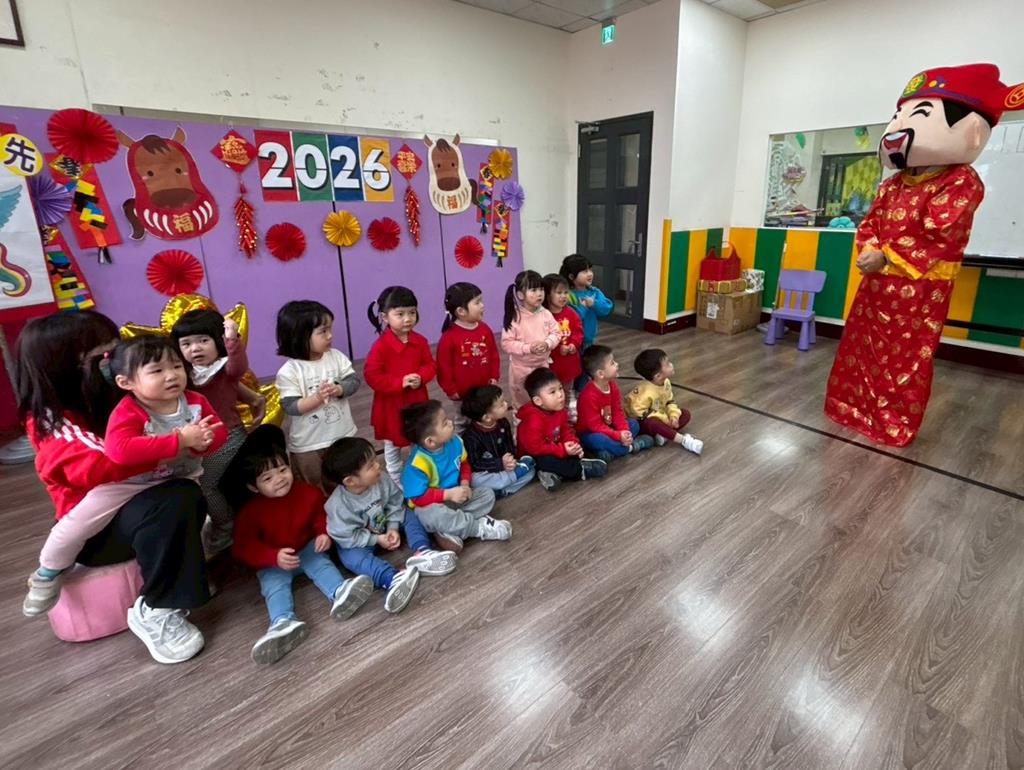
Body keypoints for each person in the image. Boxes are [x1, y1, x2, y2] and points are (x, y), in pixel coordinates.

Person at [825, 63, 1022, 447]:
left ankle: (891, 423)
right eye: (898, 115)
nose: (898, 126)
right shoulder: (892, 184)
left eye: (917, 114)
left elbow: (939, 235)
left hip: (918, 292)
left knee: (902, 360)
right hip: (876, 287)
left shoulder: (960, 181)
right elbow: (870, 223)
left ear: (972, 130)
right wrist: (870, 249)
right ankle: (851, 409)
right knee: (860, 348)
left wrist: (885, 257)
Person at [16, 311, 213, 664]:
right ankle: (157, 608)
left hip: (145, 495)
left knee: (190, 487)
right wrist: (173, 445)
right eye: (102, 352)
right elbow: (99, 464)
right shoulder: (51, 418)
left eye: (114, 346)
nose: (113, 357)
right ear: (66, 364)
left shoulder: (124, 394)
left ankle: (181, 573)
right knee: (175, 497)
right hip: (98, 530)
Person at [230, 427, 373, 664]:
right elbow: (244, 547)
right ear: (254, 487)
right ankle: (282, 622)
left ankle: (340, 592)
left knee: (321, 563)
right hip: (274, 561)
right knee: (274, 585)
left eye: (282, 470)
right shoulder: (250, 513)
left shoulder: (306, 492)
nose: (279, 479)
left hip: (306, 547)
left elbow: (320, 513)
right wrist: (272, 557)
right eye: (267, 478)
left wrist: (323, 533)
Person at [323, 437, 459, 614]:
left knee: (410, 514)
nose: (378, 465)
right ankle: (392, 578)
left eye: (375, 460)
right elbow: (345, 536)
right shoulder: (338, 506)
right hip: (362, 540)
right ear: (350, 481)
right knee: (349, 556)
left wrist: (393, 527)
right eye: (371, 465)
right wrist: (376, 539)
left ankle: (422, 552)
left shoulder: (381, 479)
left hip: (386, 523)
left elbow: (395, 502)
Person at [172, 307, 263, 555]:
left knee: (206, 484)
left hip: (229, 436)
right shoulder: (185, 374)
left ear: (218, 342)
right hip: (198, 441)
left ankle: (225, 527)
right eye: (186, 344)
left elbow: (237, 369)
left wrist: (232, 338)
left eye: (203, 341)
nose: (195, 349)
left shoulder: (224, 368)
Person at [400, 400, 510, 552]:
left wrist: (465, 484)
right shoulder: (416, 465)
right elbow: (418, 498)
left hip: (456, 498)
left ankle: (449, 528)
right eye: (445, 423)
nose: (451, 423)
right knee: (431, 515)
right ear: (430, 441)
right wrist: (448, 494)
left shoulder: (455, 441)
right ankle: (478, 528)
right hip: (432, 505)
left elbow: (464, 464)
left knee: (487, 494)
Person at [274, 300, 360, 491]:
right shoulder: (290, 371)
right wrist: (317, 398)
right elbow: (291, 407)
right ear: (300, 336)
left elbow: (353, 381)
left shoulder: (335, 356)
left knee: (345, 480)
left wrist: (339, 389)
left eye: (330, 329)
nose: (330, 336)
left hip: (342, 435)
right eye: (323, 331)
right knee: (314, 487)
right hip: (308, 445)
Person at [364, 286, 436, 485]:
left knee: (417, 439)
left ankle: (418, 473)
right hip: (392, 405)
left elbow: (430, 365)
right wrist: (399, 383)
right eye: (400, 314)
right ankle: (396, 479)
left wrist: (421, 377)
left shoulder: (420, 341)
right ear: (385, 317)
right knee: (392, 444)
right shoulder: (381, 346)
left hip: (416, 401)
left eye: (412, 312)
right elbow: (372, 376)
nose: (407, 319)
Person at [516, 368, 607, 492]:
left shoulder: (559, 410)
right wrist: (563, 450)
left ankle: (553, 474)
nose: (560, 394)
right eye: (552, 392)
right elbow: (536, 448)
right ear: (538, 401)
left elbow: (565, 430)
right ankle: (580, 470)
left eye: (560, 388)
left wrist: (573, 444)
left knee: (579, 443)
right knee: (546, 460)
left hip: (555, 446)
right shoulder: (533, 421)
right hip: (536, 454)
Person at [575, 345, 653, 463]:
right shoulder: (588, 396)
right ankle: (631, 447)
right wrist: (618, 436)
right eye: (612, 363)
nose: (617, 364)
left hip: (609, 427)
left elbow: (617, 412)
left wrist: (624, 431)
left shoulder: (612, 386)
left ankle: (609, 451)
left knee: (633, 424)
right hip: (591, 432)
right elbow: (595, 426)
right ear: (600, 374)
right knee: (598, 440)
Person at [460, 385, 536, 498]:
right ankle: (509, 481)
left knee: (531, 473)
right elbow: (474, 464)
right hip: (487, 472)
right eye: (501, 404)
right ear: (487, 417)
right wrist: (499, 464)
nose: (506, 404)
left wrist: (510, 460)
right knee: (475, 480)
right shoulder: (471, 437)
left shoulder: (503, 423)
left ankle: (502, 491)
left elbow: (509, 446)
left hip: (505, 470)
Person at [500, 270, 561, 409]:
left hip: (542, 365)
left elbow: (556, 332)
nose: (539, 294)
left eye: (541, 289)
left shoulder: (546, 313)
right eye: (533, 290)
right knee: (523, 402)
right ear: (521, 294)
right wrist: (528, 348)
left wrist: (547, 343)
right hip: (521, 369)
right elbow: (507, 343)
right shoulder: (515, 317)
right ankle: (521, 421)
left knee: (543, 399)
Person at [626, 349, 704, 455]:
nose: (671, 365)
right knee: (652, 423)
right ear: (658, 376)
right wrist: (664, 419)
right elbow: (639, 414)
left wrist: (673, 416)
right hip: (644, 423)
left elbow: (670, 401)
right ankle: (684, 440)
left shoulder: (666, 382)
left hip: (661, 416)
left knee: (685, 414)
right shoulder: (645, 391)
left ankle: (664, 435)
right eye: (667, 364)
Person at [436, 282, 500, 405]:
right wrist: (451, 389)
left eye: (481, 301)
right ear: (461, 311)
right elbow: (444, 368)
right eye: (477, 302)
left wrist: (494, 376)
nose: (482, 305)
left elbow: (493, 355)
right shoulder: (448, 338)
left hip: (486, 390)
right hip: (463, 396)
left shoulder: (485, 329)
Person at [542, 273, 584, 410]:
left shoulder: (571, 313)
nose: (563, 296)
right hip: (552, 364)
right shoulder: (543, 316)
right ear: (548, 295)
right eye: (559, 292)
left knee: (566, 391)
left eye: (566, 292)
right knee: (550, 392)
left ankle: (565, 413)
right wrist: (556, 347)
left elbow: (578, 332)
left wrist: (573, 344)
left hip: (569, 364)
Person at [560, 254, 612, 351]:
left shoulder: (594, 292)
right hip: (571, 341)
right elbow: (571, 318)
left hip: (589, 339)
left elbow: (606, 308)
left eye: (590, 270)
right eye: (585, 271)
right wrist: (583, 307)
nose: (590, 274)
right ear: (571, 276)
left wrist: (594, 304)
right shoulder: (567, 295)